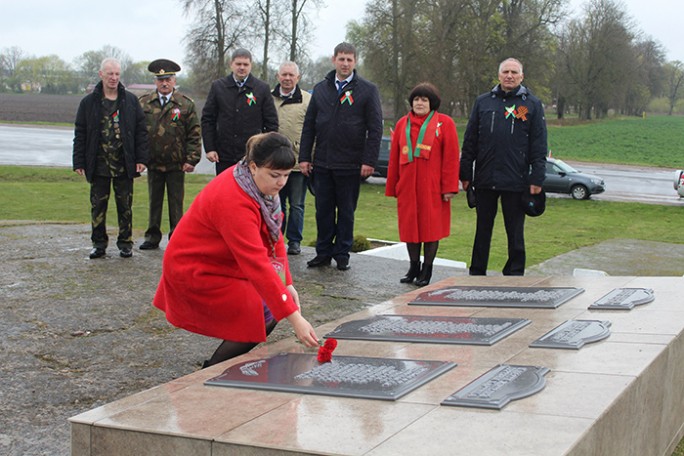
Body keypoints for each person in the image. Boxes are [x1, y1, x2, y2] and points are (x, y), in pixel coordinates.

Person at [153, 132, 320, 368]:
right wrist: (295, 318)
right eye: (275, 175)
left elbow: (274, 239)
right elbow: (256, 263)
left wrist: (287, 284)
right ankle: (214, 368)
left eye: (285, 175)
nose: (281, 183)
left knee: (271, 305)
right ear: (253, 167)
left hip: (221, 262)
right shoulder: (233, 199)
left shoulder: (259, 188)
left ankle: (218, 366)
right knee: (262, 308)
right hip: (195, 268)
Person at [299, 42, 383, 271]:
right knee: (323, 211)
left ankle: (342, 254)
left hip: (351, 163)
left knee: (346, 211)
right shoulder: (321, 89)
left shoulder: (367, 90)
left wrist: (369, 160)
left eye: (349, 59)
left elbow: (375, 129)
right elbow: (309, 126)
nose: (345, 63)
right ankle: (323, 252)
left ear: (355, 62)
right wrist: (305, 157)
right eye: (341, 59)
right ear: (333, 60)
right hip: (323, 163)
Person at [459, 58, 547, 276]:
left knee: (515, 232)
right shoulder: (483, 102)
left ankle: (515, 272)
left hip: (516, 179)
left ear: (521, 77)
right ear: (498, 76)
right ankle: (477, 271)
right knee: (482, 230)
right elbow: (470, 140)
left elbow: (539, 144)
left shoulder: (532, 105)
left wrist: (537, 178)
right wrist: (465, 172)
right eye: (505, 72)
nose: (509, 76)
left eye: (514, 72)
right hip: (485, 177)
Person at [72, 57, 148, 259]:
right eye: (110, 74)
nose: (114, 78)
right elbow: (80, 133)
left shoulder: (130, 101)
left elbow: (141, 131)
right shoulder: (89, 103)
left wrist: (141, 159)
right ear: (101, 75)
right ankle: (99, 243)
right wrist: (78, 161)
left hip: (124, 162)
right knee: (98, 206)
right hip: (98, 165)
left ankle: (125, 243)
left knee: (125, 206)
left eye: (117, 74)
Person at [385, 83, 460, 286]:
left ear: (432, 103)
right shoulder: (402, 124)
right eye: (416, 99)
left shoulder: (444, 124)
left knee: (430, 229)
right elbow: (394, 158)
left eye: (424, 100)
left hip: (433, 188)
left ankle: (427, 270)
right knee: (410, 229)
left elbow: (451, 158)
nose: (419, 103)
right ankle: (413, 267)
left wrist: (449, 188)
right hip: (408, 187)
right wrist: (393, 186)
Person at [138, 59, 202, 250]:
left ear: (174, 80)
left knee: (176, 202)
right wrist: (140, 158)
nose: (164, 83)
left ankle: (177, 236)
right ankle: (152, 236)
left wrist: (192, 159)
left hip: (177, 163)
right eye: (160, 80)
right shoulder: (144, 103)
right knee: (154, 201)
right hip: (153, 162)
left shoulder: (184, 104)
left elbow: (194, 133)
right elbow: (138, 133)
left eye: (168, 79)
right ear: (155, 82)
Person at [201, 48, 278, 175]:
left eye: (245, 64)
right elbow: (208, 119)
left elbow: (271, 123)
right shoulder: (218, 87)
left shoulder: (262, 89)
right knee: (225, 193)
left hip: (252, 156)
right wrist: (210, 148)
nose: (242, 68)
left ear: (251, 65)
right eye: (238, 64)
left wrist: (265, 150)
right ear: (231, 64)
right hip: (224, 155)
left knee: (249, 193)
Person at [271, 61, 312, 255]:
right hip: (274, 163)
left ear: (298, 77)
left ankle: (295, 241)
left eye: (291, 75)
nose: (287, 78)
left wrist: (308, 157)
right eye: (284, 74)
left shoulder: (307, 100)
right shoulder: (269, 98)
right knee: (276, 204)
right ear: (278, 76)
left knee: (297, 204)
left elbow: (313, 131)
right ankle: (275, 238)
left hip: (298, 163)